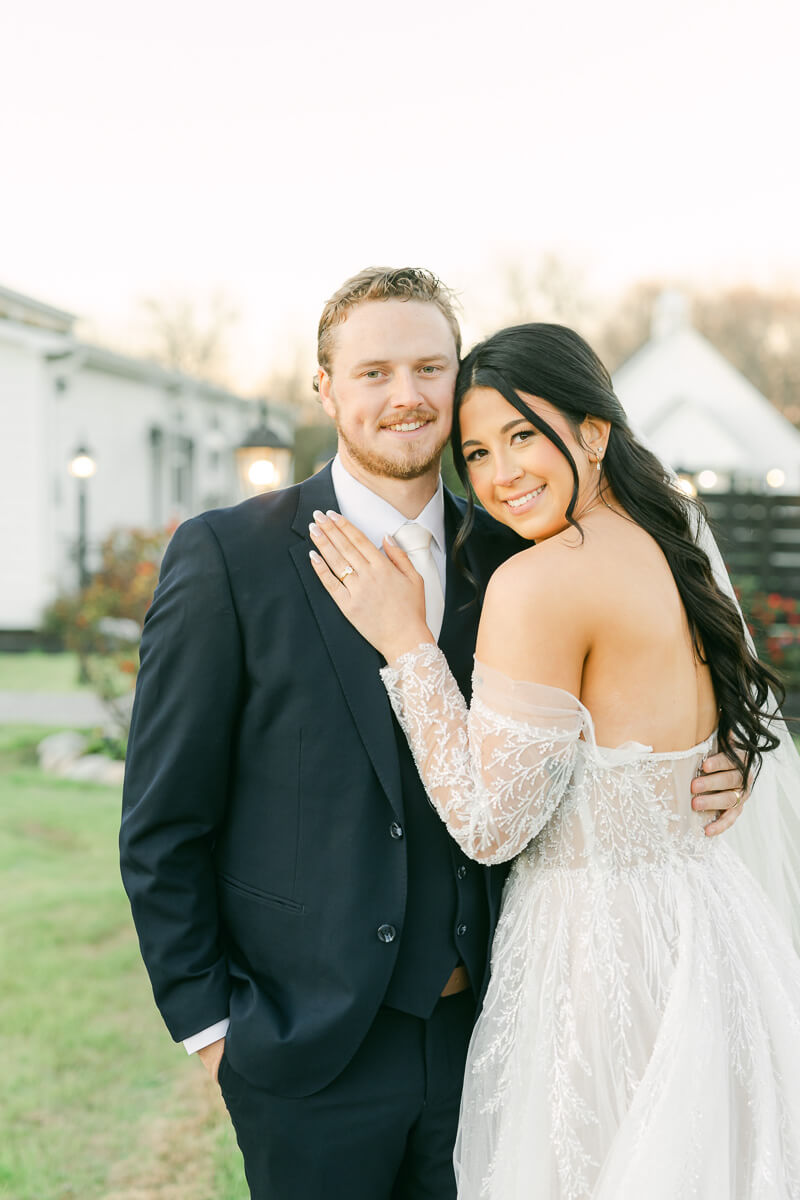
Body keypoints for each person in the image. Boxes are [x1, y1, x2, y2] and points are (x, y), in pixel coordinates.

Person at [120, 275, 745, 1200]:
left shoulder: (521, 550)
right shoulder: (228, 556)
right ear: (327, 388)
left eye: (429, 368)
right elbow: (163, 818)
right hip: (307, 1055)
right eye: (373, 370)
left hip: (505, 1032)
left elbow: (630, 701)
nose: (405, 395)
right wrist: (214, 1033)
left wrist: (719, 762)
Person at [308, 322, 800, 1198]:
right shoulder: (673, 539)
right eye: (477, 452)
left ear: (595, 432)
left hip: (600, 960)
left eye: (524, 435)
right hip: (712, 934)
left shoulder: (539, 581)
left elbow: (488, 824)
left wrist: (407, 643)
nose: (501, 475)